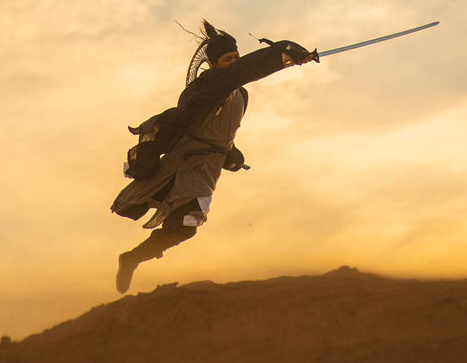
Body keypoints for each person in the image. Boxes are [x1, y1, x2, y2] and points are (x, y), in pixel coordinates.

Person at [110, 20, 316, 293]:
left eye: (236, 57)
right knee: (187, 220)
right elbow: (239, 74)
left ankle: (133, 258)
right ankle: (133, 258)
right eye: (227, 59)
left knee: (186, 227)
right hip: (185, 162)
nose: (234, 63)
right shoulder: (207, 85)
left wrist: (230, 152)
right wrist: (285, 55)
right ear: (212, 64)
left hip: (209, 168)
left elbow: (224, 124)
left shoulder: (241, 93)